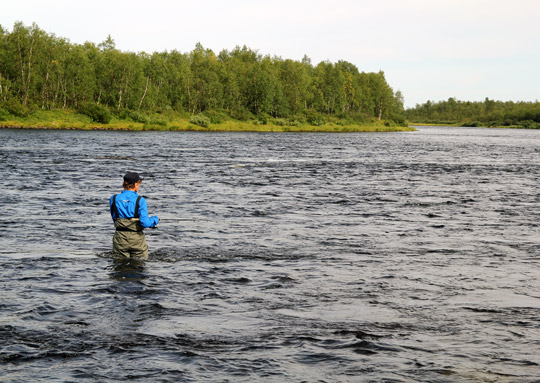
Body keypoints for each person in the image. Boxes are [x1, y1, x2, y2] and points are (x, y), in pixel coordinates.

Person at [110, 172, 159, 259]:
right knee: (139, 265)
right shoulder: (140, 200)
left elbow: (115, 218)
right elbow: (145, 223)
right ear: (136, 184)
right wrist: (155, 220)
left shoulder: (114, 198)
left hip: (120, 237)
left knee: (120, 264)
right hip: (136, 239)